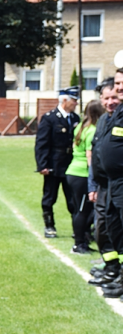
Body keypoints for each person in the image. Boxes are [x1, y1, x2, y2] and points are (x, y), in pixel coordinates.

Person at [35, 86, 81, 238]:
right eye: (74, 100)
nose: (76, 104)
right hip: (53, 164)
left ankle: (78, 229)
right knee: (49, 197)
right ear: (64, 100)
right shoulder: (50, 118)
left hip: (71, 165)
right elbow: (42, 143)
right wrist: (42, 165)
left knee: (73, 199)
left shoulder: (75, 119)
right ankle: (49, 226)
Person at [88, 77, 121, 284]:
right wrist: (93, 185)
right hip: (103, 185)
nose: (110, 102)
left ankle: (117, 273)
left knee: (116, 229)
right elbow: (95, 155)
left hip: (117, 184)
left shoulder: (119, 117)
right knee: (103, 228)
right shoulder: (103, 121)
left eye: (114, 97)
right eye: (106, 98)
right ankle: (110, 267)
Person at [65, 100, 104, 254]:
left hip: (73, 172)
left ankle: (82, 239)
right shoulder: (93, 130)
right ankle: (78, 243)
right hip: (81, 174)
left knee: (79, 209)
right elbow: (90, 155)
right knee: (83, 210)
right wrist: (94, 177)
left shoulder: (81, 127)